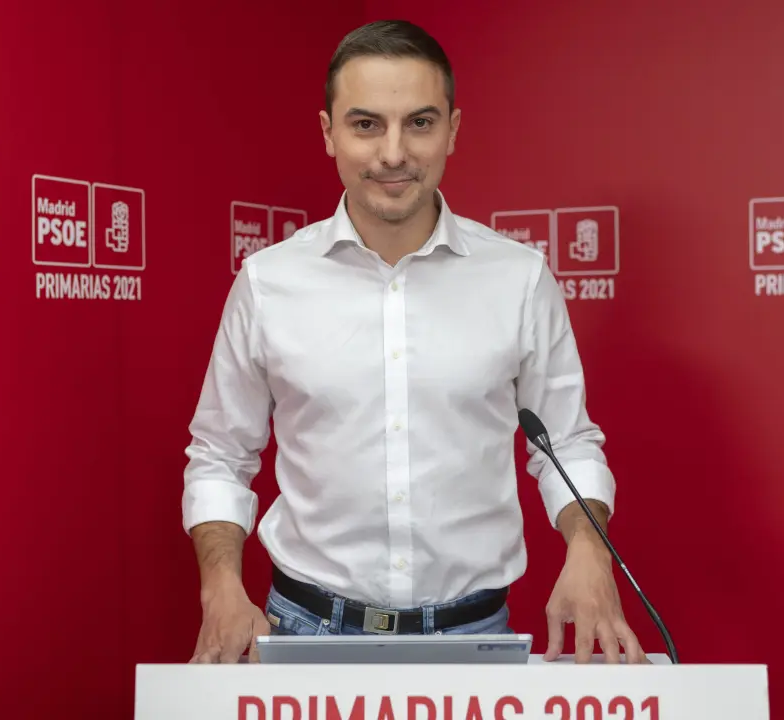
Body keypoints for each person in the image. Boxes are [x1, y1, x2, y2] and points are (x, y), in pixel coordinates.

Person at [183, 19, 647, 665]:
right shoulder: (267, 283)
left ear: (452, 130)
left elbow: (566, 442)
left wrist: (590, 550)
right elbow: (219, 455)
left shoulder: (518, 278)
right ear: (329, 133)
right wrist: (220, 587)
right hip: (304, 631)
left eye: (420, 123)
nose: (393, 153)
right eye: (366, 124)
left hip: (474, 637)